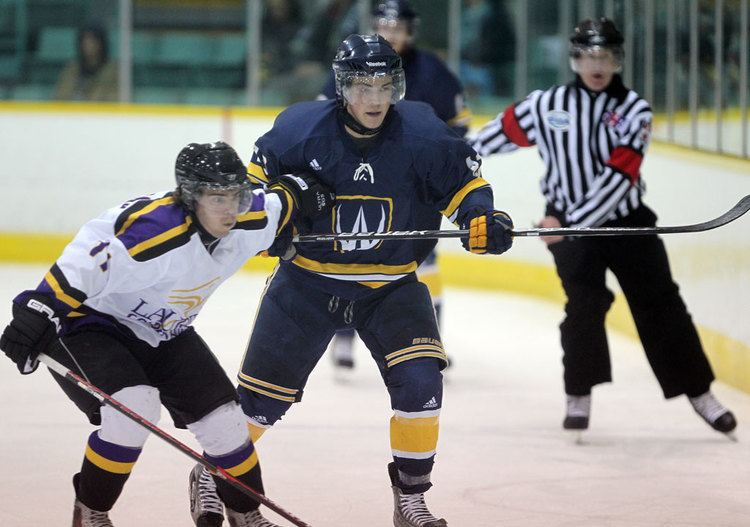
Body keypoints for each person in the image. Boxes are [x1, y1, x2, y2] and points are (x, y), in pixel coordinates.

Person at [189, 34, 513, 527]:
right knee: (260, 404)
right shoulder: (299, 132)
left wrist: (482, 218)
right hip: (308, 284)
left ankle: (411, 498)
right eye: (362, 87)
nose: (375, 99)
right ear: (342, 87)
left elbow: (467, 188)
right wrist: (276, 219)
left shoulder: (424, 134)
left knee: (422, 383)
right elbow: (254, 195)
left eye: (385, 85)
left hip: (390, 286)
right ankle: (213, 474)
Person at [0, 141, 333, 527]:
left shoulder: (252, 218)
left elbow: (285, 199)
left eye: (237, 195)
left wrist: (307, 192)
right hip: (91, 323)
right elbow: (85, 260)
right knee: (134, 411)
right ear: (191, 198)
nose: (231, 209)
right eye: (217, 198)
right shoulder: (153, 231)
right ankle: (91, 511)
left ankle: (246, 514)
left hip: (165, 330)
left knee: (226, 423)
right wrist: (37, 309)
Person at [469, 18, 737, 437]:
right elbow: (488, 139)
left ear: (619, 60)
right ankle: (579, 394)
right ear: (575, 58)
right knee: (584, 307)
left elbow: (620, 177)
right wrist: (446, 160)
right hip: (565, 223)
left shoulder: (635, 110)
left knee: (661, 304)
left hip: (624, 222)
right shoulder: (547, 104)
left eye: (607, 56)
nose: (598, 64)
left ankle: (699, 393)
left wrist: (569, 226)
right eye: (590, 55)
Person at [319, 0, 471, 376]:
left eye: (398, 27)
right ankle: (343, 336)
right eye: (385, 25)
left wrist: (441, 167)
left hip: (414, 184)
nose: (391, 34)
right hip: (358, 179)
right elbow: (323, 119)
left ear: (410, 31)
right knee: (351, 252)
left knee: (426, 261)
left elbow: (459, 126)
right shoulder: (352, 60)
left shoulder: (431, 70)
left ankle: (430, 338)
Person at [54, 25, 119, 102]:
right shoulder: (71, 69)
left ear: (101, 43)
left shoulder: (113, 71)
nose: (88, 44)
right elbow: (59, 97)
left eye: (92, 40)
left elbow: (115, 99)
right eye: (84, 40)